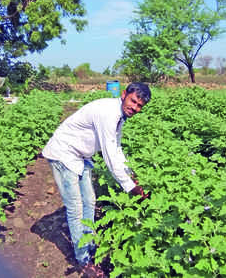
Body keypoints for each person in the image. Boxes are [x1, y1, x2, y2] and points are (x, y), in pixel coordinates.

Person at [42, 82, 151, 277]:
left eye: (139, 105)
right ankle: (83, 261)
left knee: (90, 201)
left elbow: (116, 149)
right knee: (76, 208)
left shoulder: (120, 117)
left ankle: (89, 244)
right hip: (63, 154)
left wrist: (131, 174)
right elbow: (110, 157)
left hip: (80, 156)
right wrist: (132, 188)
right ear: (124, 94)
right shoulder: (108, 113)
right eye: (133, 101)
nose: (134, 107)